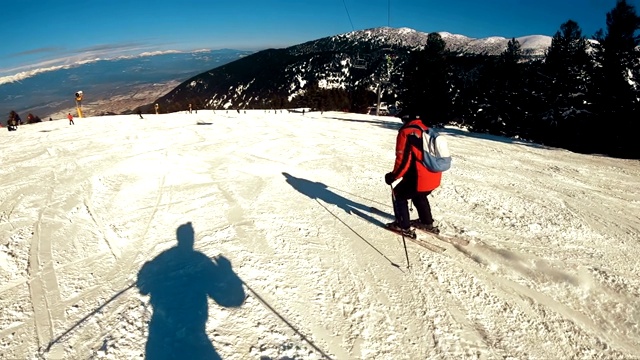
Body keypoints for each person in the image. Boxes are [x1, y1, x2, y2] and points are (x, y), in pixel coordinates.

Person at [384, 113, 442, 237]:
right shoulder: (427, 129)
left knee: (398, 194)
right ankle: (426, 222)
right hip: (434, 176)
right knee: (419, 195)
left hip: (419, 177)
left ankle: (402, 225)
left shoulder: (407, 132)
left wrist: (393, 176)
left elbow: (403, 159)